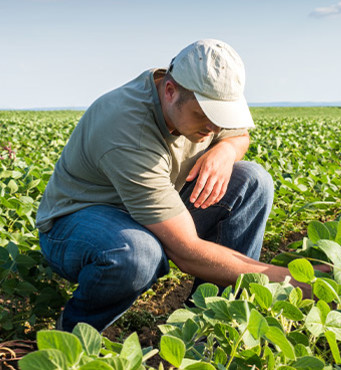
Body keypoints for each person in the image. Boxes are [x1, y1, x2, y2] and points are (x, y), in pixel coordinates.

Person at [36, 39, 318, 332]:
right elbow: (186, 251)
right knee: (138, 253)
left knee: (253, 181)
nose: (214, 128)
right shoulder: (126, 127)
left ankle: (212, 325)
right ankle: (72, 335)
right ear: (170, 91)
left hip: (152, 208)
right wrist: (291, 283)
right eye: (205, 116)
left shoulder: (201, 101)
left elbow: (239, 135)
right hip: (79, 222)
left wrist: (226, 151)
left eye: (222, 118)